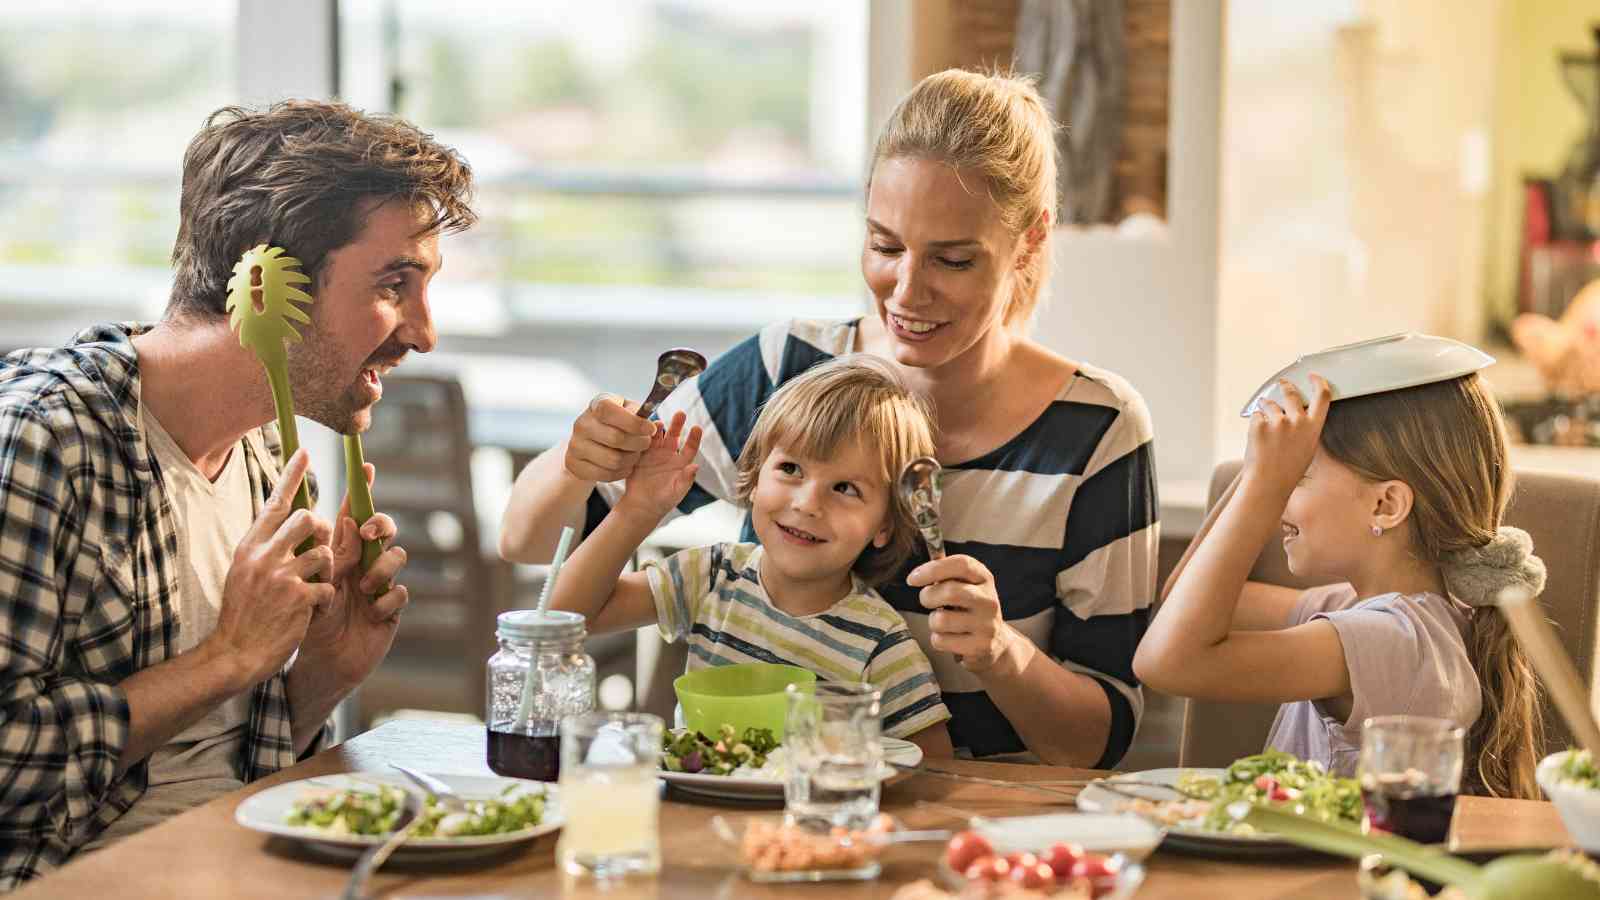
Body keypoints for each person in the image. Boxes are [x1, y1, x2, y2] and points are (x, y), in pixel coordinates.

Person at [502, 69, 1157, 768]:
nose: (906, 290)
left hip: (981, 827)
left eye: (953, 259)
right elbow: (530, 541)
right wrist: (580, 465)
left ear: (1029, 241)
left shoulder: (1097, 428)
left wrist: (1001, 655)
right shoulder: (791, 367)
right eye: (884, 245)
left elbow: (1099, 743)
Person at [0, 100, 475, 887]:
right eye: (396, 283)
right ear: (267, 282)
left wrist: (321, 675)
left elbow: (215, 768)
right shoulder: (42, 443)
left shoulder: (268, 459)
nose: (424, 332)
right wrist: (227, 658)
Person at [1134, 372, 1546, 797]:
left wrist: (1264, 483)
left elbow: (1165, 661)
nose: (1279, 503)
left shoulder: (1393, 640)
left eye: (1299, 477)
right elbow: (1180, 602)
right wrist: (1263, 468)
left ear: (1386, 505)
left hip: (1333, 866)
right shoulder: (1372, 612)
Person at [548, 356, 954, 753]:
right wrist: (636, 511)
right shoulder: (712, 575)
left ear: (884, 525)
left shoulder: (880, 642)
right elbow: (564, 618)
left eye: (846, 488)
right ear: (755, 477)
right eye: (791, 469)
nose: (807, 504)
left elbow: (932, 771)